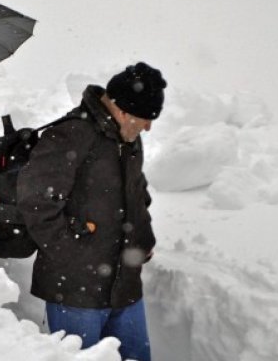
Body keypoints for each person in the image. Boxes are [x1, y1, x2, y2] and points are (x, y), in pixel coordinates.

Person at [17, 62, 166, 360]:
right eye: (144, 119)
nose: (148, 127)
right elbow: (36, 203)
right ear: (121, 110)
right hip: (75, 292)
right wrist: (74, 255)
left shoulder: (129, 139)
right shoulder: (71, 135)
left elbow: (138, 194)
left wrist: (144, 240)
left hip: (125, 286)